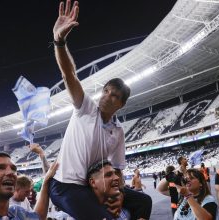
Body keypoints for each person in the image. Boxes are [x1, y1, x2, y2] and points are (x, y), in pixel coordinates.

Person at [49, 0, 152, 219]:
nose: (107, 96)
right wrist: (59, 41)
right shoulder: (86, 109)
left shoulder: (118, 131)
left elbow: (117, 168)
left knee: (144, 201)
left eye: (114, 95)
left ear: (121, 104)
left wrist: (119, 194)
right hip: (66, 186)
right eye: (106, 91)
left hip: (95, 185)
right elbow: (69, 76)